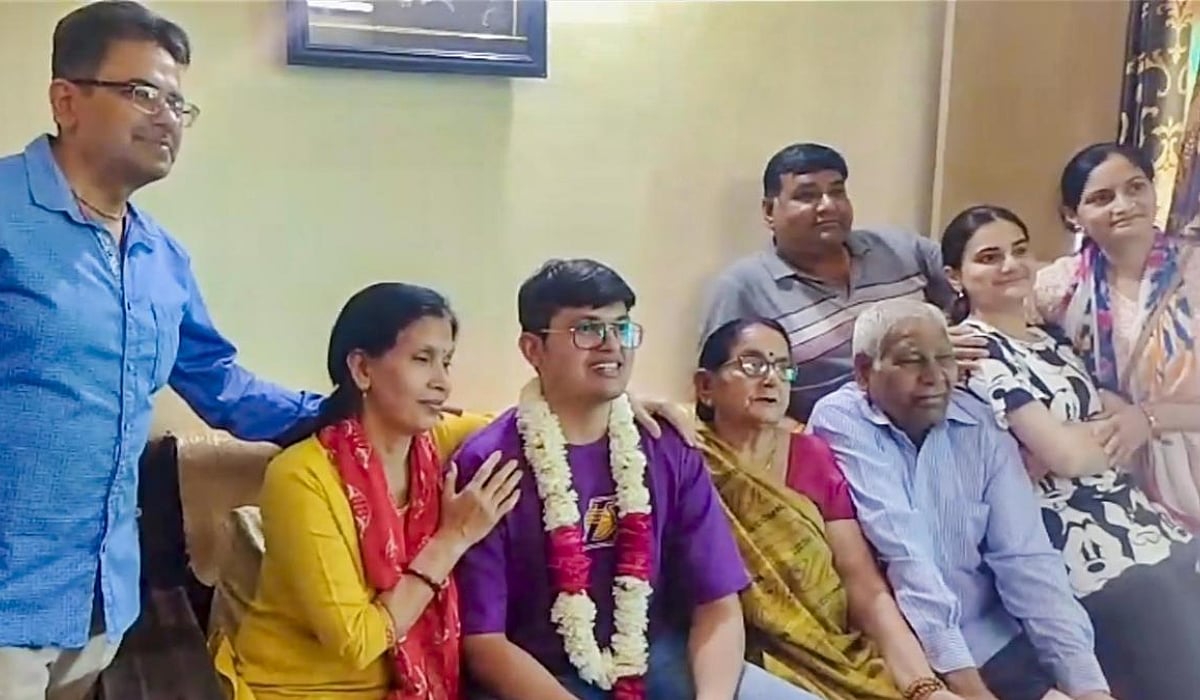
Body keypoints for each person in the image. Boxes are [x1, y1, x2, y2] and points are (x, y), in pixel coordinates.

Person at [0, 3, 326, 697]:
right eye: (143, 93)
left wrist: (345, 409)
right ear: (66, 100)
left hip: (100, 600)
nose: (167, 118)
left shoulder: (160, 258)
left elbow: (219, 382)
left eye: (178, 103)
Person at [452, 259, 818, 700]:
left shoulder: (667, 443)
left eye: (622, 328)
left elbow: (718, 605)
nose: (611, 346)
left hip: (661, 661)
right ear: (533, 349)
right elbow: (485, 644)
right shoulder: (490, 462)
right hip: (543, 679)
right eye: (588, 330)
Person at [209, 283, 527, 699]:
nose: (443, 383)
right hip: (300, 691)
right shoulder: (302, 477)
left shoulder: (437, 443)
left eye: (446, 362)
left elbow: (529, 423)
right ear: (362, 368)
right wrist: (453, 539)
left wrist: (608, 397)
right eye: (422, 360)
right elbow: (355, 642)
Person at [942, 203, 1200, 700]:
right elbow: (1069, 457)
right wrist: (1096, 437)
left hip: (1145, 526)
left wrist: (1093, 434)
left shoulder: (1051, 339)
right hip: (1083, 552)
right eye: (989, 257)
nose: (1010, 265)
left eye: (1019, 251)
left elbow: (1121, 421)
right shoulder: (975, 352)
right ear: (956, 276)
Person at [808, 298, 1114, 700]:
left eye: (945, 359)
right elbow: (904, 551)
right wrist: (968, 685)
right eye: (912, 361)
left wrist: (1087, 684)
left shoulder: (979, 424)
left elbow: (1026, 559)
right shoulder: (842, 419)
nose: (934, 377)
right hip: (896, 645)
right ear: (864, 372)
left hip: (986, 633)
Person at [692, 317, 963, 700]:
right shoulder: (688, 457)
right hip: (741, 655)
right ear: (706, 386)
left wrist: (924, 687)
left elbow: (863, 586)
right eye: (752, 365)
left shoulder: (812, 455)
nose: (771, 379)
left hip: (836, 651)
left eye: (782, 367)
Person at [699, 142, 980, 422]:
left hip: (950, 417)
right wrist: (800, 440)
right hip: (834, 435)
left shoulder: (901, 249)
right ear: (769, 211)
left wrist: (941, 347)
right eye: (807, 196)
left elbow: (980, 296)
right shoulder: (745, 288)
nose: (828, 206)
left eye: (837, 192)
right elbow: (724, 398)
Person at [1036, 143, 1200, 528]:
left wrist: (1149, 418)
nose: (1123, 205)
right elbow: (1020, 350)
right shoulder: (1057, 288)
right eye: (1102, 198)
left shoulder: (1193, 272)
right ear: (1072, 215)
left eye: (1135, 188)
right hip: (1111, 483)